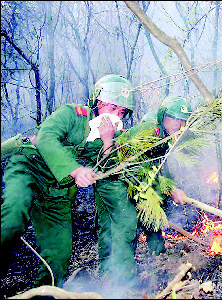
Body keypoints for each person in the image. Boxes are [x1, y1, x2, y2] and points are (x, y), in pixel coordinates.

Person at [1, 74, 136, 287]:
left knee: (59, 255)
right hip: (30, 168)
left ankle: (46, 293)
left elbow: (109, 171)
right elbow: (46, 136)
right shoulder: (73, 114)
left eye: (121, 112)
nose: (116, 116)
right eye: (113, 107)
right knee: (13, 218)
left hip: (58, 192)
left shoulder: (110, 136)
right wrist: (74, 169)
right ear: (98, 103)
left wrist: (108, 141)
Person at [111, 96, 191, 258]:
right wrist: (162, 191)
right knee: (128, 227)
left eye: (183, 120)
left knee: (153, 215)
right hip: (118, 181)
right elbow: (129, 164)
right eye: (174, 118)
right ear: (163, 116)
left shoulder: (165, 138)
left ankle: (158, 254)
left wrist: (171, 189)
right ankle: (121, 270)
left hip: (139, 182)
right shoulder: (149, 131)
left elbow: (161, 170)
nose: (179, 124)